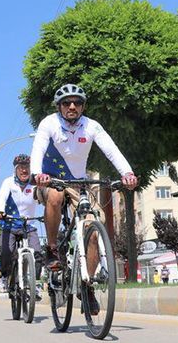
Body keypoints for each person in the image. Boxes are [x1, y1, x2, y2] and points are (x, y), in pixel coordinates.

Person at [31, 83, 138, 315]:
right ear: (59, 106)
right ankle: (51, 248)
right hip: (49, 181)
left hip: (78, 183)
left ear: (83, 106)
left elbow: (111, 150)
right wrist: (37, 174)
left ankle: (86, 286)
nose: (72, 106)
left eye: (77, 103)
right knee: (55, 196)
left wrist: (127, 173)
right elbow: (38, 149)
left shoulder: (92, 126)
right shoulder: (48, 123)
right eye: (67, 103)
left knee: (92, 229)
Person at [0, 154, 43, 301]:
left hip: (29, 225)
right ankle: (4, 276)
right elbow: (2, 197)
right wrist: (0, 212)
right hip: (10, 225)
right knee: (6, 252)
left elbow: (44, 197)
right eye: (21, 168)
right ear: (15, 169)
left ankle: (36, 284)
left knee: (38, 254)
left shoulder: (35, 183)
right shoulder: (8, 183)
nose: (24, 170)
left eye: (26, 167)